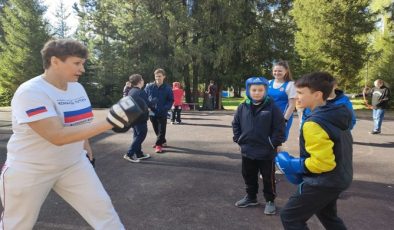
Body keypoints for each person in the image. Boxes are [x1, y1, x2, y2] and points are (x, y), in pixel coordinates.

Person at [0, 39, 147, 229]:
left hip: (73, 164)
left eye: (83, 64)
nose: (82, 69)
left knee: (104, 212)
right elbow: (57, 136)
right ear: (55, 61)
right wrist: (110, 121)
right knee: (17, 225)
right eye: (77, 63)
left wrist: (86, 145)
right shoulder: (31, 92)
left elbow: (80, 121)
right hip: (30, 169)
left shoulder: (77, 87)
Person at [276, 72, 353, 230]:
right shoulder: (336, 113)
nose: (297, 97)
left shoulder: (315, 123)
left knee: (290, 216)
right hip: (338, 177)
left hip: (322, 182)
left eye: (300, 93)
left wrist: (295, 165)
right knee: (328, 216)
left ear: (317, 95)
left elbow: (323, 163)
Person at [232, 77, 286, 215]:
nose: (257, 92)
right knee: (248, 175)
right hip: (248, 149)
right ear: (249, 90)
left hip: (266, 151)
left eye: (260, 90)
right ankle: (251, 197)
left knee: (268, 177)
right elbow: (236, 124)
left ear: (265, 91)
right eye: (254, 90)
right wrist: (239, 140)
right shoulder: (242, 106)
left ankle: (270, 200)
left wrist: (273, 143)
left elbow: (279, 127)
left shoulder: (272, 107)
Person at [145, 68, 174, 153]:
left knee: (162, 129)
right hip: (152, 112)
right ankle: (162, 141)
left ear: (164, 77)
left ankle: (158, 145)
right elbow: (144, 97)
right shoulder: (149, 87)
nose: (158, 78)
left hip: (162, 111)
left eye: (160, 76)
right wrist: (147, 106)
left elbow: (170, 100)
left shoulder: (168, 88)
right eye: (156, 76)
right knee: (156, 128)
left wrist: (165, 108)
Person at [123, 74, 151, 163]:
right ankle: (129, 154)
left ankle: (139, 154)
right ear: (139, 82)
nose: (143, 81)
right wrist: (155, 100)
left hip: (133, 118)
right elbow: (148, 104)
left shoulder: (131, 91)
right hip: (140, 118)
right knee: (141, 135)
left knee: (136, 135)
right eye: (142, 79)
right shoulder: (140, 92)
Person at [267, 60, 296, 141]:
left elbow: (292, 105)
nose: (277, 73)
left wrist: (284, 120)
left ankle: (277, 154)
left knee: (278, 141)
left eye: (280, 71)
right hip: (268, 116)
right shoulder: (268, 83)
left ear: (286, 71)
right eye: (275, 71)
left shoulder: (290, 85)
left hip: (282, 118)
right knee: (266, 140)